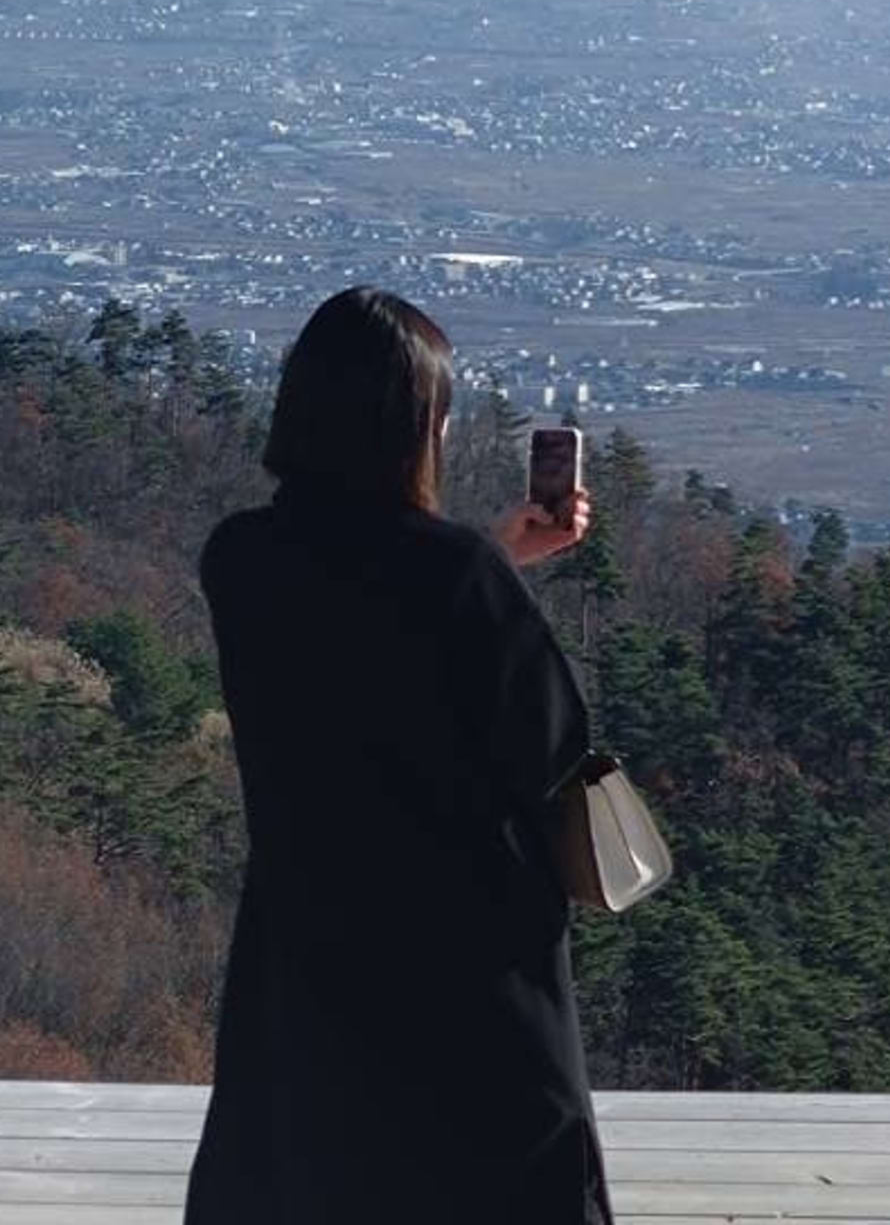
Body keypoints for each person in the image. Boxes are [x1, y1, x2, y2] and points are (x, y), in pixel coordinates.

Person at [187, 287, 609, 1225]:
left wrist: (491, 554)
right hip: (468, 965)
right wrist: (491, 565)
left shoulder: (240, 559)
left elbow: (351, 632)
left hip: (306, 944)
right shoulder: (461, 578)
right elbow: (555, 752)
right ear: (416, 429)